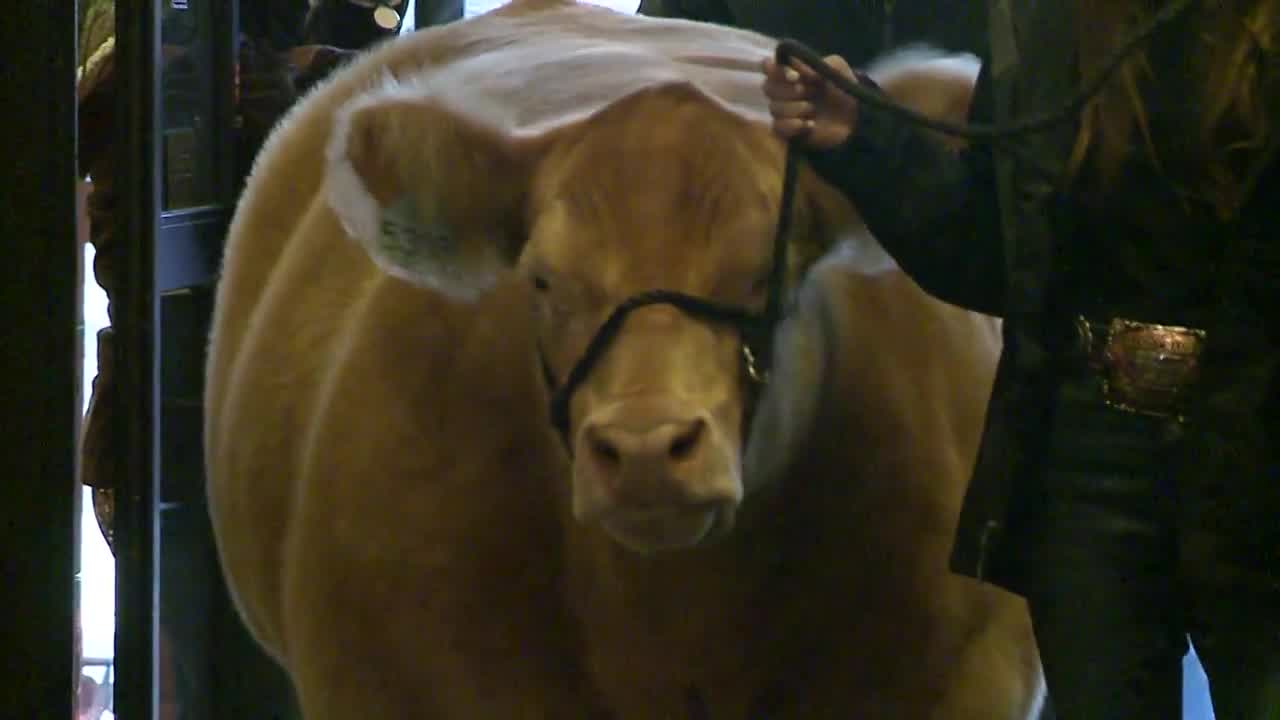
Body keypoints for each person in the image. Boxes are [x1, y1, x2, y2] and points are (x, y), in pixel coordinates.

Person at [762, 1, 1279, 718]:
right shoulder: (1053, 22)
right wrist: (865, 138)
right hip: (1089, 457)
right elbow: (1000, 252)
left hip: (1257, 452)